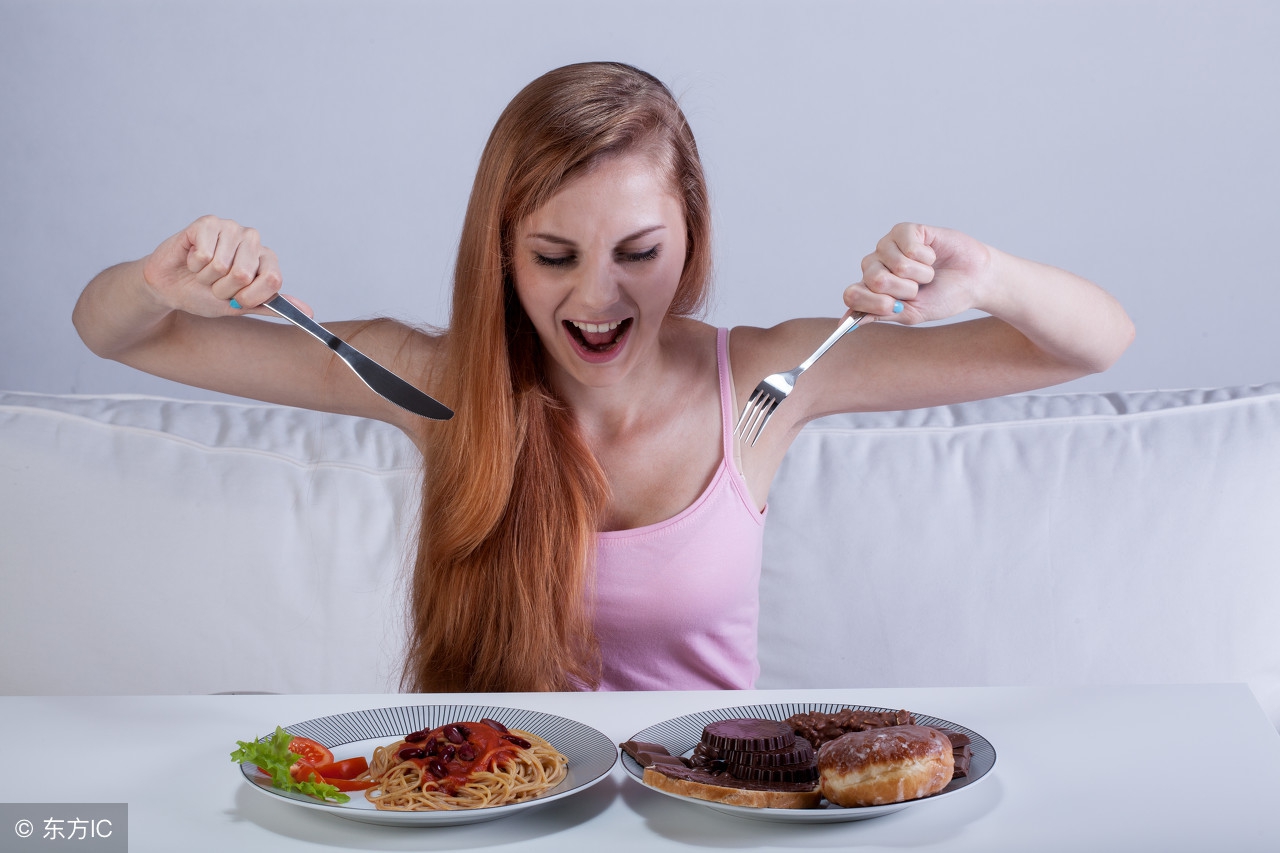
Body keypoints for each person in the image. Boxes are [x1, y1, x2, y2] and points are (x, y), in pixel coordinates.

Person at [72, 61, 1134, 694]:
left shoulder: (767, 378)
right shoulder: (428, 380)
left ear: (692, 235)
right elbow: (122, 334)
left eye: (637, 252)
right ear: (499, 250)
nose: (596, 296)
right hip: (486, 812)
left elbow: (1087, 343)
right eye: (552, 255)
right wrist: (164, 278)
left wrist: (983, 273)